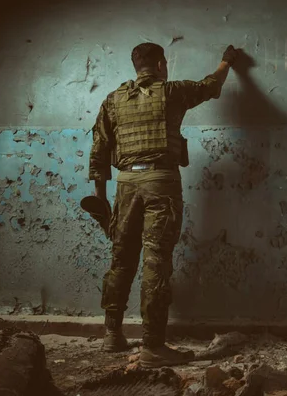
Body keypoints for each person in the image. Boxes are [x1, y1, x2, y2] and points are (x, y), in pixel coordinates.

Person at [88, 42, 239, 367]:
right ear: (160, 65)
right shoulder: (171, 92)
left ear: (135, 65)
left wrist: (101, 200)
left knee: (121, 259)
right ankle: (153, 347)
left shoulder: (113, 100)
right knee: (156, 262)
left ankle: (112, 335)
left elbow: (98, 150)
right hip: (160, 182)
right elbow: (210, 86)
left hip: (126, 185)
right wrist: (225, 62)